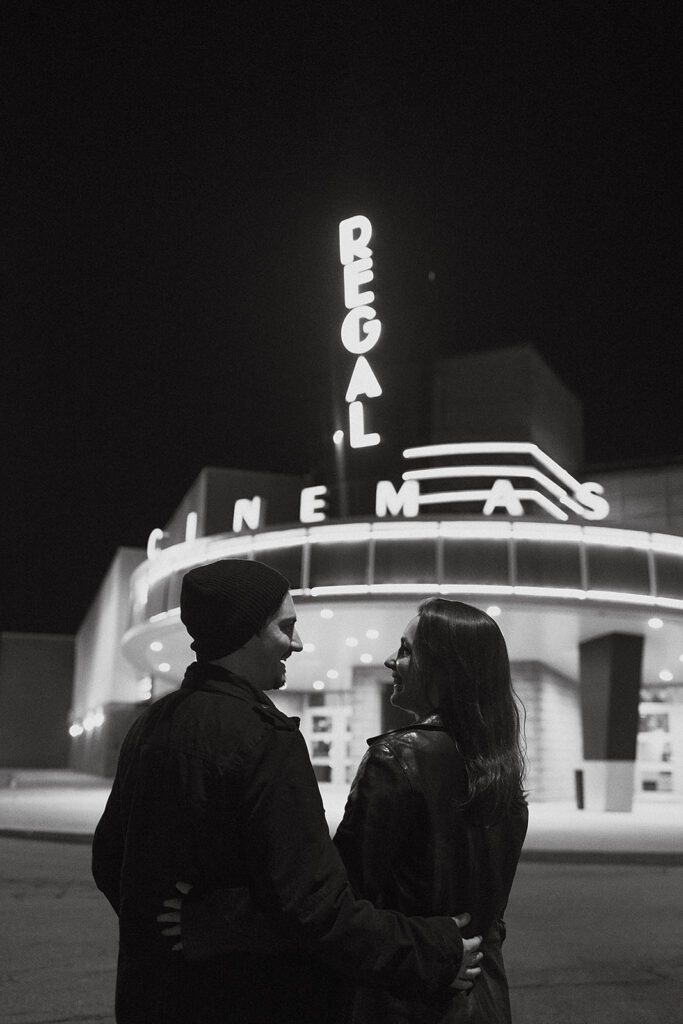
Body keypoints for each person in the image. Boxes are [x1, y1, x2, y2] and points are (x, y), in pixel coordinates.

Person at [92, 559, 482, 1024]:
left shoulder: (149, 725)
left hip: (148, 997)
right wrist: (434, 950)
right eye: (286, 627)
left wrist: (165, 924)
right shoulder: (264, 739)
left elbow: (108, 859)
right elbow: (315, 908)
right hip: (238, 1000)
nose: (297, 643)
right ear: (245, 632)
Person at [156, 596, 528, 1023]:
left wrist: (220, 920)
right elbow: (487, 919)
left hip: (403, 999)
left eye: (407, 650)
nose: (391, 659)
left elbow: (336, 899)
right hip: (485, 999)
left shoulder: (399, 757)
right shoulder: (503, 776)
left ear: (447, 669)